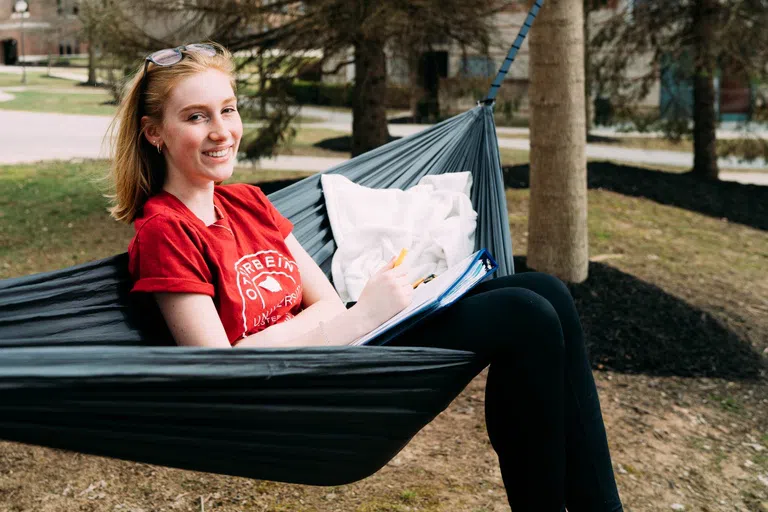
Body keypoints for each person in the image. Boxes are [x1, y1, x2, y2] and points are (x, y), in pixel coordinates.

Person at [109, 42, 624, 512]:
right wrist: (357, 318)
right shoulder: (165, 232)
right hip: (296, 399)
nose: (221, 130)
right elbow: (223, 369)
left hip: (346, 351)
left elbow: (328, 305)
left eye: (228, 109)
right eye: (196, 117)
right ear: (154, 132)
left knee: (545, 291)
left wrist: (338, 321)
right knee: (524, 315)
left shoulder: (247, 202)